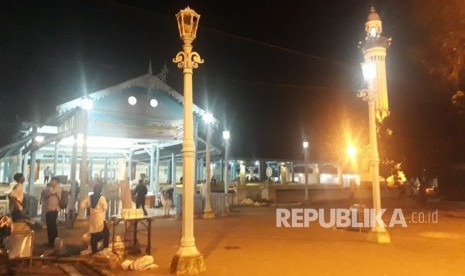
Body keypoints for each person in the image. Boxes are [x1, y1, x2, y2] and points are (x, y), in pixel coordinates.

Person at [80, 184, 109, 254]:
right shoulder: (101, 198)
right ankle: (105, 247)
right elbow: (105, 207)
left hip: (92, 217)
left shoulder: (89, 197)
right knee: (106, 233)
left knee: (93, 234)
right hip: (99, 217)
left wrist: (87, 206)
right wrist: (100, 209)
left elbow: (82, 205)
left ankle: (94, 250)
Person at [44, 177, 63, 247]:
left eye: (52, 181)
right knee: (49, 225)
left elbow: (47, 194)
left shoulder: (58, 188)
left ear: (56, 181)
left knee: (52, 226)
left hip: (54, 209)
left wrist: (49, 188)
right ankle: (50, 241)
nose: (51, 182)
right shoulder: (52, 188)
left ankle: (54, 241)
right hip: (50, 209)